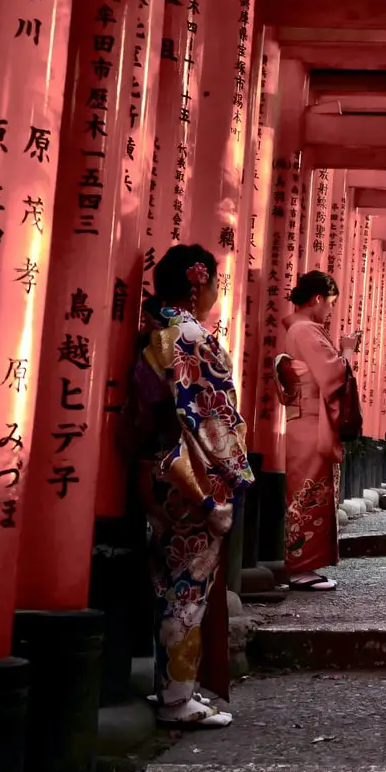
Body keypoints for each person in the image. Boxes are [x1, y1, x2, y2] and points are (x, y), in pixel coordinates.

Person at [130, 244, 254, 729]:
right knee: (188, 589)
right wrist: (225, 482)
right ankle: (179, 699)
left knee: (167, 583)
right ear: (198, 282)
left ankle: (168, 689)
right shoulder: (191, 337)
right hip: (192, 479)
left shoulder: (159, 330)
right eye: (217, 281)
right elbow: (207, 417)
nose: (219, 290)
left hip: (158, 473)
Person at [279, 270, 359, 592]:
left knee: (305, 490)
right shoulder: (307, 330)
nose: (330, 311)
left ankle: (302, 565)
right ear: (317, 299)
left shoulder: (297, 329)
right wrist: (349, 350)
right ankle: (300, 567)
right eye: (330, 304)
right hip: (312, 422)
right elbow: (333, 375)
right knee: (308, 491)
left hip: (305, 419)